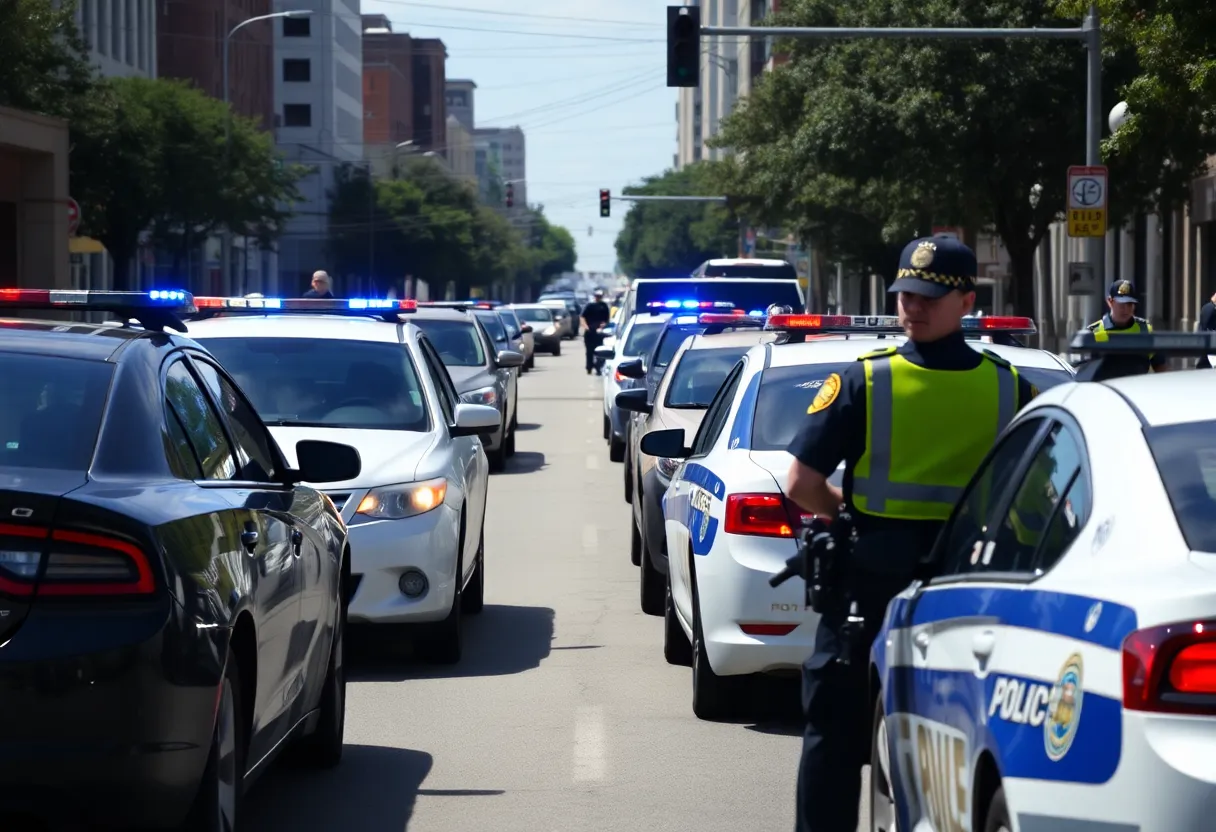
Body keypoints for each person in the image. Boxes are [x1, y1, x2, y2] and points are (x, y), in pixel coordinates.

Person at [783, 234, 1037, 832]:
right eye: (906, 294)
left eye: (927, 295)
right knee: (960, 744)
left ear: (966, 300)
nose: (912, 306)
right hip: (968, 595)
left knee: (834, 740)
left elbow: (800, 483)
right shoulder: (1012, 388)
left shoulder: (864, 381)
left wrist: (846, 507)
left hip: (869, 589)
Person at [1084, 279, 1166, 373]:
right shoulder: (1093, 332)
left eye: (1129, 304)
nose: (1126, 309)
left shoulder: (1145, 330)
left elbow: (1160, 366)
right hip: (1106, 386)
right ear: (1110, 302)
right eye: (1121, 304)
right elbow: (1085, 371)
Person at [580, 288, 611, 375]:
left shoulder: (604, 306)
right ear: (594, 296)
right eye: (597, 296)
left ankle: (598, 367)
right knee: (589, 351)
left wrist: (603, 325)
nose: (598, 298)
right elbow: (582, 317)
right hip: (589, 332)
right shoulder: (589, 306)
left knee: (600, 351)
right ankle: (589, 367)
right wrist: (585, 326)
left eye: (600, 296)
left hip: (599, 332)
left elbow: (607, 319)